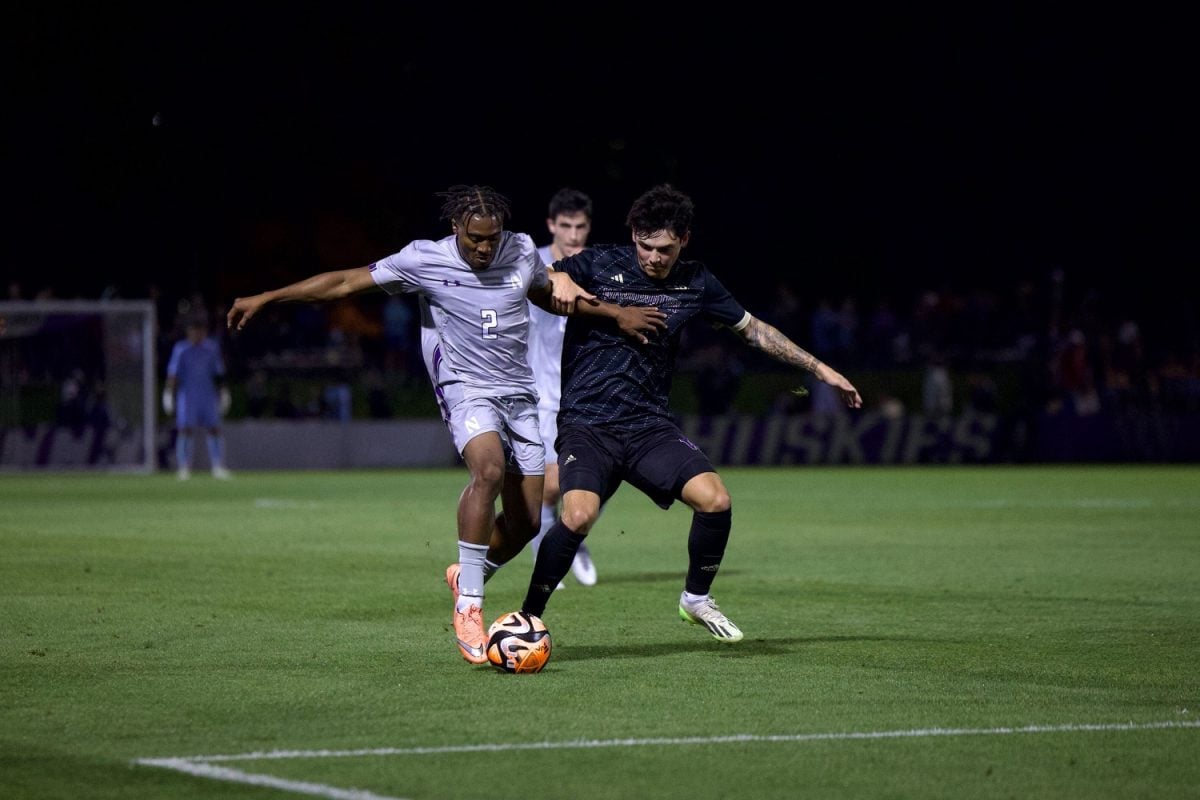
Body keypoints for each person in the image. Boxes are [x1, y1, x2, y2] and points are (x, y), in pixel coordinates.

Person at [226, 185, 663, 664]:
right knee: (488, 470)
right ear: (456, 228)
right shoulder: (423, 261)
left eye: (491, 238)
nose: (484, 248)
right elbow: (345, 283)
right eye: (475, 239)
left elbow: (548, 295)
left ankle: (467, 574)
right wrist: (269, 297)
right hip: (464, 387)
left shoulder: (518, 250)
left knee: (524, 523)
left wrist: (615, 314)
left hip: (519, 391)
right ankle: (470, 606)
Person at [519, 184, 862, 643]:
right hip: (588, 422)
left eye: (663, 248)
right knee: (578, 516)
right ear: (633, 236)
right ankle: (528, 617)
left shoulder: (696, 281)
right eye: (644, 245)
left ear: (684, 239)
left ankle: (695, 599)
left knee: (716, 499)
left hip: (647, 426)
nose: (653, 257)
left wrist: (821, 370)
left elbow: (754, 330)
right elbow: (533, 277)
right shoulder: (599, 263)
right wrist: (556, 277)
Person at [528, 188, 599, 586]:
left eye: (581, 227)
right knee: (549, 487)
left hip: (587, 391)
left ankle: (573, 537)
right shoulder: (530, 264)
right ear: (552, 225)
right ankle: (551, 560)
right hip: (538, 394)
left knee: (600, 480)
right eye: (566, 226)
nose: (574, 235)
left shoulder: (596, 267)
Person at [163, 317, 233, 480]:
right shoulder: (181, 349)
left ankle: (217, 466)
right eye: (194, 330)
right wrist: (168, 393)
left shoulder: (211, 348)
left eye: (200, 330)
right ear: (189, 332)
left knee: (214, 429)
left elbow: (218, 373)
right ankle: (184, 467)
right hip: (187, 396)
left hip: (207, 395)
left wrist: (224, 392)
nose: (197, 334)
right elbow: (173, 374)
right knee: (185, 430)